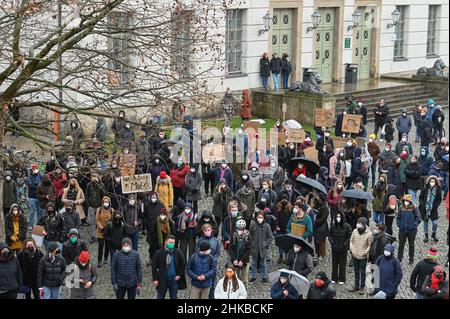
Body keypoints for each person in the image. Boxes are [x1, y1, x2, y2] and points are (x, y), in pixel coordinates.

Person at [152, 235, 186, 299]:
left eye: (173, 243)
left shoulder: (178, 252)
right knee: (160, 297)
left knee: (174, 297)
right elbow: (154, 266)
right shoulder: (158, 253)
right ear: (165, 242)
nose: (171, 244)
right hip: (162, 279)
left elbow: (183, 264)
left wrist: (179, 275)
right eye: (170, 242)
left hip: (174, 280)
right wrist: (155, 279)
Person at [349, 217, 372, 294]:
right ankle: (356, 286)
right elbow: (351, 240)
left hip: (363, 257)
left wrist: (365, 252)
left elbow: (369, 245)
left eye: (360, 223)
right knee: (356, 272)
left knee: (362, 273)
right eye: (358, 222)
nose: (358, 224)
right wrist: (352, 248)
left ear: (364, 225)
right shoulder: (355, 231)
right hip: (355, 255)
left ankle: (362, 287)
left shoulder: (369, 234)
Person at [249, 212, 274, 284]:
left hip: (263, 249)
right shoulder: (253, 225)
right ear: (256, 218)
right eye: (259, 217)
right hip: (254, 248)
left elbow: (270, 237)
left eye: (261, 217)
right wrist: (252, 243)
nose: (260, 219)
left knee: (264, 263)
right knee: (254, 263)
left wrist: (265, 244)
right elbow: (250, 235)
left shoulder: (267, 226)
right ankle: (253, 277)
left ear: (263, 218)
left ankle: (264, 277)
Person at [397, 194, 421, 264]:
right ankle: (399, 258)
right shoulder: (401, 208)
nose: (406, 202)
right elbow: (398, 218)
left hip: (411, 231)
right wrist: (399, 225)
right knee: (401, 245)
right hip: (402, 230)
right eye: (405, 201)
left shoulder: (414, 208)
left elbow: (418, 218)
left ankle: (411, 259)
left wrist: (414, 226)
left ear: (410, 201)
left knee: (411, 245)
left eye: (407, 201)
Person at [328, 212, 352, 284]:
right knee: (334, 264)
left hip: (343, 249)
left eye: (339, 216)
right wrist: (332, 243)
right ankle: (334, 278)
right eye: (337, 216)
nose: (338, 218)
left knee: (342, 264)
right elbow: (329, 235)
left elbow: (349, 237)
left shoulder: (347, 227)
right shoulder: (333, 225)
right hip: (334, 248)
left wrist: (344, 244)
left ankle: (342, 279)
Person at [228, 219, 251, 286]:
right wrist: (234, 259)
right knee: (235, 278)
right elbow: (230, 248)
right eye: (238, 229)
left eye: (241, 230)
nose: (239, 231)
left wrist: (242, 261)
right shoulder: (234, 235)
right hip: (235, 261)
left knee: (244, 280)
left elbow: (248, 250)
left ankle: (244, 293)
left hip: (244, 261)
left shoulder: (247, 236)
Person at [419, 176, 442, 243]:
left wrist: (435, 206)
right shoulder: (425, 188)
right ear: (429, 182)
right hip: (425, 209)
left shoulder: (438, 190)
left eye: (433, 181)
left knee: (435, 223)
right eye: (431, 181)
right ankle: (426, 235)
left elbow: (439, 199)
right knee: (425, 223)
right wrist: (422, 204)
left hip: (433, 210)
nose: (432, 183)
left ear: (436, 182)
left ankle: (433, 234)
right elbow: (421, 197)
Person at [85, 172, 105, 243]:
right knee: (92, 222)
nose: (93, 178)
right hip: (91, 206)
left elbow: (104, 195)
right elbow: (86, 195)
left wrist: (98, 185)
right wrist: (88, 205)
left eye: (95, 176)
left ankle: (99, 236)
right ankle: (93, 236)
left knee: (99, 222)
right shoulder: (89, 185)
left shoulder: (101, 185)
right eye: (92, 176)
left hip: (99, 207)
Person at [95, 196, 113, 267]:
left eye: (107, 202)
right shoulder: (99, 210)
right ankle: (99, 260)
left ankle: (105, 258)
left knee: (107, 246)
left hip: (109, 231)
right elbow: (97, 220)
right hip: (100, 231)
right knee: (101, 246)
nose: (106, 203)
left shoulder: (111, 210)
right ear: (102, 202)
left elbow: (113, 219)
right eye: (105, 202)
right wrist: (101, 227)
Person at [25, 163, 43, 230]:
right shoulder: (28, 177)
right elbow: (30, 185)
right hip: (32, 197)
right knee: (32, 211)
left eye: (33, 169)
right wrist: (37, 186)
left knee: (40, 212)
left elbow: (42, 184)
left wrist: (36, 186)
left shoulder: (41, 175)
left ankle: (39, 226)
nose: (32, 170)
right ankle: (31, 225)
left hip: (40, 196)